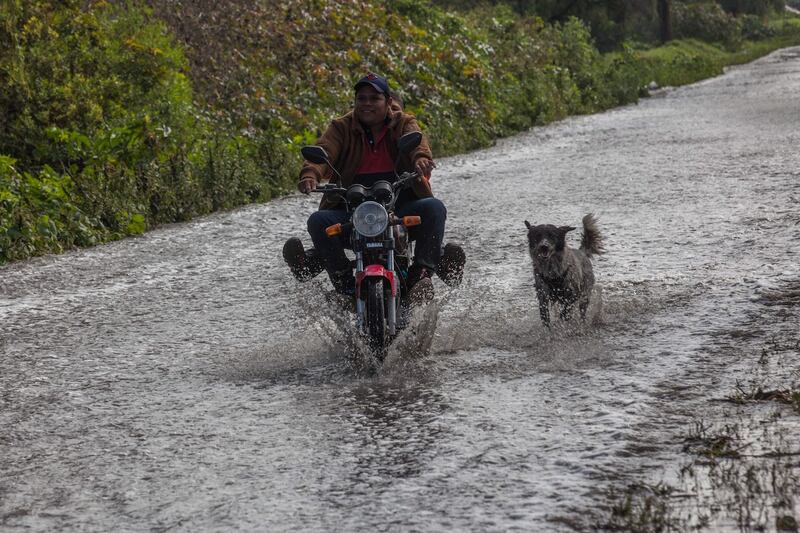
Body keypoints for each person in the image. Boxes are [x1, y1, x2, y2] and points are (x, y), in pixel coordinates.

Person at [283, 74, 465, 299]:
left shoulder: (404, 123)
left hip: (398, 207)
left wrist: (420, 159)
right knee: (318, 221)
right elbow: (324, 152)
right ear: (355, 102)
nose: (367, 103)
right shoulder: (341, 127)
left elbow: (418, 144)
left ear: (388, 103)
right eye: (362, 98)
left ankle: (421, 275)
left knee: (434, 208)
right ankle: (344, 283)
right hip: (353, 210)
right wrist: (310, 174)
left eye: (374, 98)